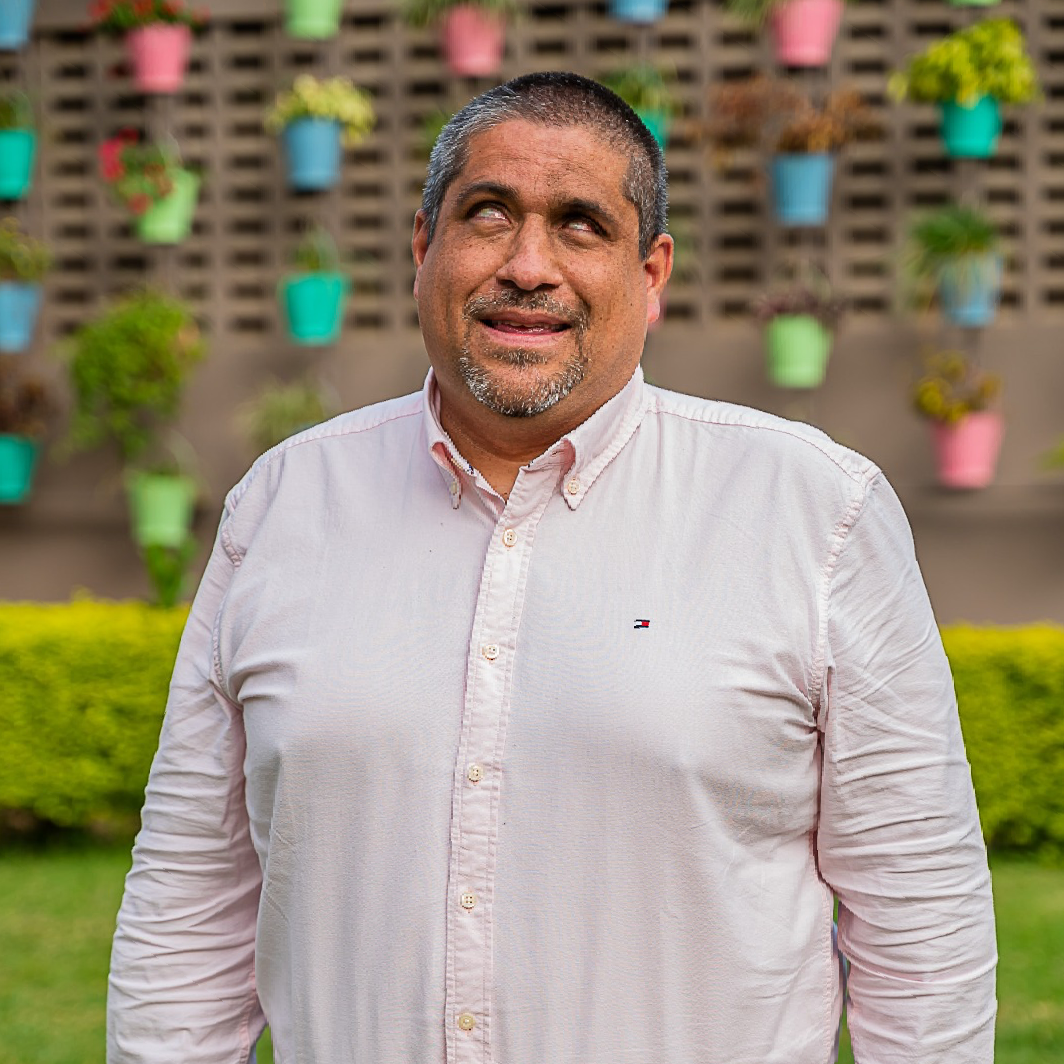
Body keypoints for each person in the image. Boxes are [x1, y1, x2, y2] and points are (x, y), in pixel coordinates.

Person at [107, 72, 997, 1064]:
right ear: (421, 245)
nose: (528, 265)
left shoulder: (812, 511)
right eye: (486, 215)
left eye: (579, 225)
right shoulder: (283, 505)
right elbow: (189, 898)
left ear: (650, 272)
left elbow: (919, 916)